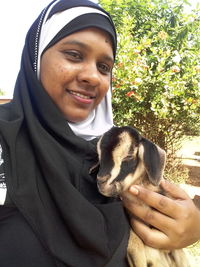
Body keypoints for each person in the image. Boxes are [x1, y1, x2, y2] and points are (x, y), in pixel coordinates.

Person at [0, 0, 199, 266]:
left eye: (104, 67)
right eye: (73, 54)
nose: (93, 77)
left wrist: (190, 229)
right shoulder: (6, 141)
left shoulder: (119, 151)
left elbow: (161, 213)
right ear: (35, 57)